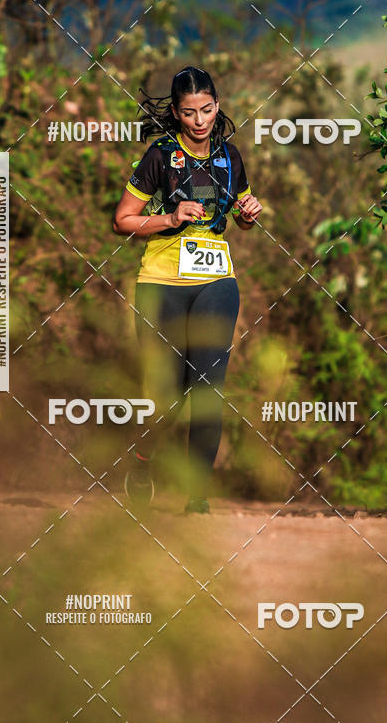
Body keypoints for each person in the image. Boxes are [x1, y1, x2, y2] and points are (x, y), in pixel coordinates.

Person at [112, 66, 262, 514]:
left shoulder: (231, 156)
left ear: (218, 105)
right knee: (168, 397)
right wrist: (170, 219)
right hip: (162, 284)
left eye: (208, 110)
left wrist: (249, 213)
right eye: (190, 113)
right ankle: (142, 460)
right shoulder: (159, 155)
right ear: (176, 114)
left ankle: (197, 496)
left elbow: (240, 215)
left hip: (217, 281)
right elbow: (122, 220)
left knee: (207, 388)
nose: (200, 121)